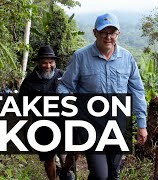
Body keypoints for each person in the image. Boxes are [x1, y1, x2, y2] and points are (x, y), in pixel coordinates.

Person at [57, 13, 148, 179]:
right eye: (104, 33)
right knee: (100, 175)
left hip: (118, 124)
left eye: (112, 33)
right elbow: (64, 85)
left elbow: (137, 91)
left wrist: (142, 124)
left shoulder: (127, 58)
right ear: (95, 33)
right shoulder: (81, 57)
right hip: (91, 124)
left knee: (113, 173)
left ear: (118, 34)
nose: (108, 37)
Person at [18, 45, 75, 180]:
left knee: (75, 151)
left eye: (50, 62)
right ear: (38, 63)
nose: (47, 65)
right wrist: (26, 129)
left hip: (63, 123)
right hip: (42, 126)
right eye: (44, 62)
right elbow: (22, 106)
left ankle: (65, 171)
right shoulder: (29, 82)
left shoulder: (62, 76)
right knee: (48, 159)